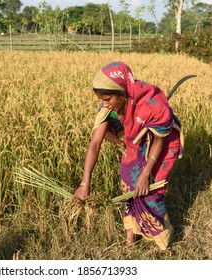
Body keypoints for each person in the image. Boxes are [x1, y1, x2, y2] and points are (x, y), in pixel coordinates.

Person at [73, 61, 182, 250]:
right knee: (128, 188)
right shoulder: (107, 107)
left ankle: (162, 242)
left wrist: (146, 173)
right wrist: (85, 183)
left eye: (107, 99)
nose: (104, 104)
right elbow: (95, 143)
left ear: (123, 93)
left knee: (151, 193)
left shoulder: (152, 104)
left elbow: (159, 140)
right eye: (101, 99)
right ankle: (130, 241)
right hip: (134, 141)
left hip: (161, 144)